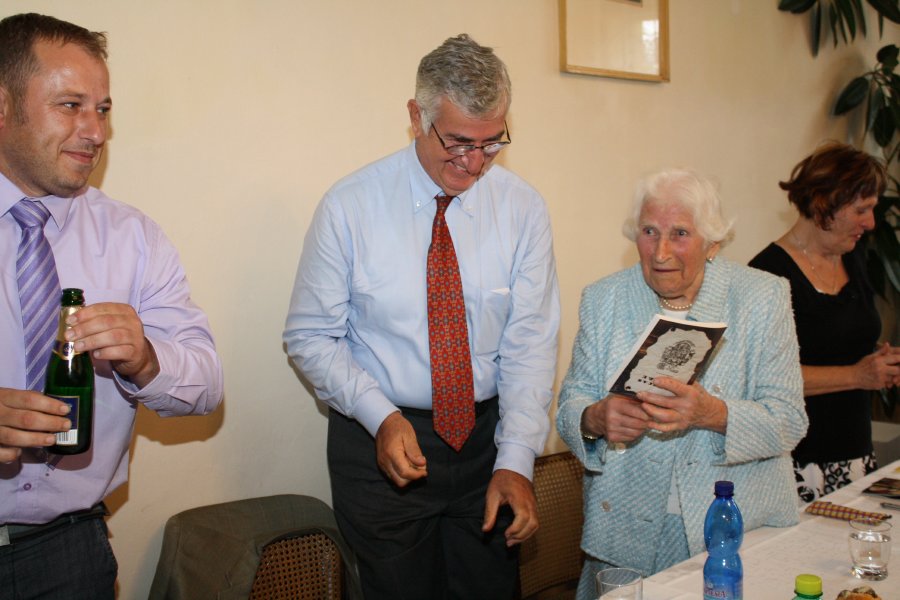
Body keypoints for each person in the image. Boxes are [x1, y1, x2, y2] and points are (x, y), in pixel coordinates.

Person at [283, 34, 560, 600]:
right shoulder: (350, 207)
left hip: (485, 442)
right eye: (457, 142)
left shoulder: (523, 209)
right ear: (416, 117)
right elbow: (310, 337)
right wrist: (379, 415)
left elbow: (530, 342)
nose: (473, 162)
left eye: (491, 143)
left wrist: (516, 459)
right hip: (380, 442)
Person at [0, 13, 223, 599]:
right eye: (70, 105)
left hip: (71, 553)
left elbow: (207, 386)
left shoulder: (134, 237)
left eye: (102, 110)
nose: (95, 132)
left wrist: (147, 360)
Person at [556, 168, 807, 596]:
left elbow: (789, 421)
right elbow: (570, 406)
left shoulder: (762, 297)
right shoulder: (604, 298)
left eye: (680, 234)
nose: (661, 251)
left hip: (731, 533)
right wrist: (594, 418)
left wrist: (714, 414)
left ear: (713, 243)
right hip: (623, 535)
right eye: (649, 231)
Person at [749, 142, 899, 503]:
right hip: (797, 464)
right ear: (823, 204)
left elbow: (841, 341)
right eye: (861, 210)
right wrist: (857, 375)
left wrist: (880, 364)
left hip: (854, 453)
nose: (871, 223)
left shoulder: (852, 257)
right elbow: (759, 380)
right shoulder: (767, 275)